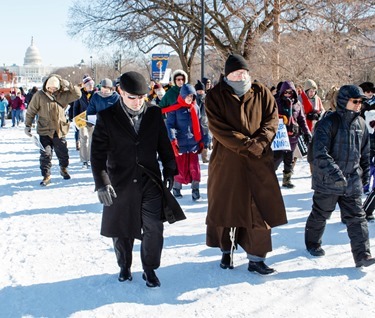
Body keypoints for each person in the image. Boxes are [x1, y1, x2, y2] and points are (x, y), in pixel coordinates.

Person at [90, 71, 185, 288]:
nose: (137, 102)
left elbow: (163, 144)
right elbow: (97, 155)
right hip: (119, 182)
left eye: (141, 97)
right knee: (122, 228)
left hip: (149, 180)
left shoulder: (153, 113)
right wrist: (102, 183)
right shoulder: (107, 116)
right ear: (120, 92)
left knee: (154, 227)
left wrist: (170, 169)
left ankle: (150, 269)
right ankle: (124, 265)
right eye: (132, 97)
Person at [205, 53, 287, 275]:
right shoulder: (215, 95)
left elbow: (272, 119)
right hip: (227, 163)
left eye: (243, 72)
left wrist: (260, 142)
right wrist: (246, 145)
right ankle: (226, 251)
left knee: (258, 209)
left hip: (259, 160)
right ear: (227, 74)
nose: (240, 76)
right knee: (227, 209)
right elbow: (219, 129)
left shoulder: (261, 92)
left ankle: (256, 258)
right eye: (235, 72)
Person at [305, 85, 375, 268]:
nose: (359, 104)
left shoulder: (361, 124)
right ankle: (313, 243)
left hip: (352, 181)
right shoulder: (328, 122)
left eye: (361, 101)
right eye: (355, 101)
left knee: (357, 218)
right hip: (328, 181)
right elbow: (319, 152)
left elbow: (365, 153)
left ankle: (362, 255)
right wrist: (336, 174)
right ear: (344, 101)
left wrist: (365, 174)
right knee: (320, 214)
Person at [24, 74, 81, 186]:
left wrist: (69, 85)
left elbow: (78, 94)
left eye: (55, 88)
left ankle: (63, 168)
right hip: (44, 130)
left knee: (63, 153)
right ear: (46, 86)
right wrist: (27, 125)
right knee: (46, 154)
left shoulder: (63, 95)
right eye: (50, 88)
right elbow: (31, 111)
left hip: (59, 130)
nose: (52, 90)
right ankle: (46, 176)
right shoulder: (39, 95)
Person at [163, 83, 209, 201]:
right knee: (180, 168)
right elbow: (170, 125)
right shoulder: (175, 108)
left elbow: (200, 124)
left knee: (195, 168)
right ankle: (177, 189)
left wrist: (204, 138)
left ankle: (195, 190)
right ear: (182, 95)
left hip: (193, 143)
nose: (190, 99)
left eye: (192, 96)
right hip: (180, 144)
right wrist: (173, 139)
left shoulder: (195, 108)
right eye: (188, 96)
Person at [273, 80, 311, 188]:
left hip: (293, 135)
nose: (288, 94)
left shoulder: (297, 104)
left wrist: (307, 133)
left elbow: (302, 119)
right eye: (286, 92)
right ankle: (269, 176)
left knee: (289, 159)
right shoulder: (276, 102)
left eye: (290, 92)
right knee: (276, 158)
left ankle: (287, 180)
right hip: (280, 135)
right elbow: (270, 116)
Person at [73, 75, 97, 168]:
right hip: (82, 120)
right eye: (89, 84)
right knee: (84, 139)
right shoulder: (79, 94)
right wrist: (75, 119)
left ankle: (91, 159)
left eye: (92, 84)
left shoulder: (96, 93)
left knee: (92, 140)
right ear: (85, 85)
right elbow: (76, 107)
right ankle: (84, 160)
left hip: (93, 120)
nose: (91, 86)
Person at [359, 81, 375, 195]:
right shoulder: (360, 103)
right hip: (364, 135)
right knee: (365, 162)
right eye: (367, 91)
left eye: (372, 91)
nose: (370, 93)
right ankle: (365, 185)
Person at [194, 79, 211, 163]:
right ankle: (196, 156)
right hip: (195, 123)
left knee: (206, 139)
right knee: (196, 141)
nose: (200, 92)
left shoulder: (207, 98)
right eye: (199, 90)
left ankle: (204, 156)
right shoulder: (194, 99)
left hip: (205, 123)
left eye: (202, 90)